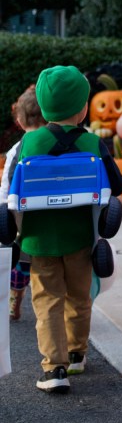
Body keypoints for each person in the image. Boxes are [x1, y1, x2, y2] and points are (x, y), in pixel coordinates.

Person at [19, 66, 122, 394]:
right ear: (82, 109)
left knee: (48, 300)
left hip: (39, 240)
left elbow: (15, 189)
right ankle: (77, 353)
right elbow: (118, 185)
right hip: (80, 237)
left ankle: (54, 369)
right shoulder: (93, 143)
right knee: (79, 296)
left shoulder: (30, 143)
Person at [1, 86, 44, 321]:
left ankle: (15, 299)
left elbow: (6, 190)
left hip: (25, 223)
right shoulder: (54, 145)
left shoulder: (17, 150)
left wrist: (5, 218)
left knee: (21, 265)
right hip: (54, 218)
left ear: (19, 119)